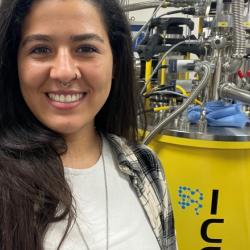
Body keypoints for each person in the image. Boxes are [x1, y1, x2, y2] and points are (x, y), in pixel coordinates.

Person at [0, 0, 177, 249]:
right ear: (14, 65)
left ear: (115, 62)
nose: (63, 72)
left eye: (85, 48)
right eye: (40, 49)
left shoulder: (145, 165)